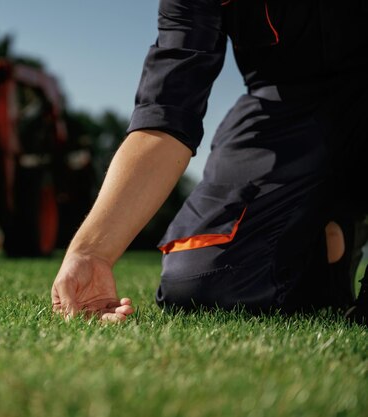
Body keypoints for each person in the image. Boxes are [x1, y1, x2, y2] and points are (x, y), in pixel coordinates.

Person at [51, 0, 368, 324]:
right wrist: (91, 253)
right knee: (203, 283)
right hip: (281, 109)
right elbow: (167, 111)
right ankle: (330, 242)